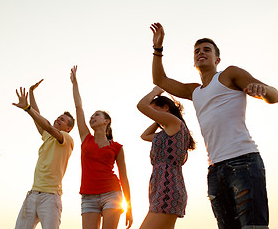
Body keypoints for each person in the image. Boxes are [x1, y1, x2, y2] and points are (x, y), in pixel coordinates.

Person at [150, 22, 278, 228]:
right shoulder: (194, 91)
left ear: (217, 59)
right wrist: (158, 48)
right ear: (194, 62)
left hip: (243, 162)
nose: (201, 53)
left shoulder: (229, 74)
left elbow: (274, 95)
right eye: (197, 51)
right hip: (215, 170)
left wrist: (262, 90)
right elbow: (160, 79)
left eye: (207, 50)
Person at [70, 65, 133, 229]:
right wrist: (74, 83)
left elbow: (124, 177)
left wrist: (129, 207)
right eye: (92, 116)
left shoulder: (117, 147)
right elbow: (78, 107)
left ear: (106, 121)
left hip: (112, 194)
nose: (92, 117)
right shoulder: (85, 138)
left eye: (97, 115)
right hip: (88, 196)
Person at [13, 81, 75, 229]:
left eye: (62, 120)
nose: (58, 119)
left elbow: (46, 124)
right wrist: (31, 92)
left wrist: (27, 108)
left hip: (50, 197)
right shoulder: (47, 136)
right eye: (58, 117)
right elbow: (38, 116)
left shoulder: (66, 138)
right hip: (33, 194)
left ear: (69, 128)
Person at [137, 86, 195, 229]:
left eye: (154, 109)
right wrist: (158, 120)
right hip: (162, 186)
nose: (152, 114)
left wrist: (155, 92)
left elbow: (141, 106)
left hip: (168, 188)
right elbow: (144, 136)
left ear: (166, 108)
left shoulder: (175, 123)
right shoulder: (166, 132)